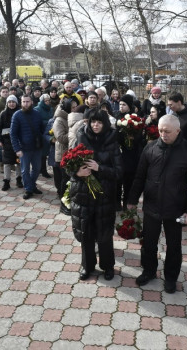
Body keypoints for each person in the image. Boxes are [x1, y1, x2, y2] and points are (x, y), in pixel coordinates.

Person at [127, 115, 187, 294]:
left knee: (174, 246)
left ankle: (170, 278)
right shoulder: (150, 148)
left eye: (167, 131)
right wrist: (131, 200)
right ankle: (149, 271)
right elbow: (139, 177)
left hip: (176, 208)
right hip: (151, 206)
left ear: (178, 131)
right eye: (160, 130)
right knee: (148, 243)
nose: (163, 134)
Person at [70, 109, 123, 281]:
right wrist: (78, 173)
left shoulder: (112, 141)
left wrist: (100, 168)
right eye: (93, 122)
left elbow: (119, 172)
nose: (96, 125)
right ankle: (87, 266)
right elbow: (69, 165)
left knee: (104, 235)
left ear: (105, 123)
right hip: (84, 194)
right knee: (86, 233)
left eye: (99, 122)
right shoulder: (81, 138)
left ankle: (108, 266)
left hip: (104, 196)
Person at [10, 94, 45, 200]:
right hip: (24, 148)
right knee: (25, 170)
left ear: (32, 102)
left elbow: (41, 129)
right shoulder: (17, 115)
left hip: (37, 147)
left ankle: (31, 185)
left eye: (27, 101)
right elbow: (13, 134)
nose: (25, 104)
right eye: (23, 102)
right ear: (21, 103)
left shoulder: (37, 114)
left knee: (37, 169)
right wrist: (17, 149)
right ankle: (28, 189)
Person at [53, 98, 77, 214]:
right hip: (62, 154)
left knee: (70, 180)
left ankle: (69, 201)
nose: (75, 109)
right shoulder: (59, 120)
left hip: (71, 153)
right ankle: (63, 205)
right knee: (65, 180)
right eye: (73, 107)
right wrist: (73, 132)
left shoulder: (73, 117)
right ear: (67, 107)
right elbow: (61, 138)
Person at [0, 95, 22, 191]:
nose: (11, 104)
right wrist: (0, 140)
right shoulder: (3, 114)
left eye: (13, 102)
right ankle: (6, 181)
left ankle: (19, 179)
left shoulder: (20, 113)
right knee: (7, 163)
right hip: (7, 142)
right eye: (9, 102)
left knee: (19, 162)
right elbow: (0, 128)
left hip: (18, 141)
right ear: (7, 103)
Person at [34, 93, 54, 178]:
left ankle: (41, 169)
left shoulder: (50, 109)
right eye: (46, 100)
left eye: (49, 100)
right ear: (42, 101)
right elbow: (36, 122)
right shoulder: (37, 109)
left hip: (48, 133)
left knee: (46, 153)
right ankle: (42, 170)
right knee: (41, 153)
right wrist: (48, 122)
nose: (48, 102)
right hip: (40, 133)